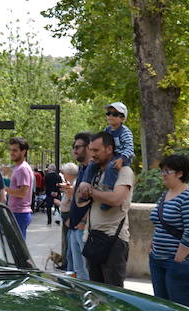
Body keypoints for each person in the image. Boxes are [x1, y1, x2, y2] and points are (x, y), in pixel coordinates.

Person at [148, 154, 189, 309]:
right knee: (163, 308)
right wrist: (153, 245)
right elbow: (160, 222)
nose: (163, 175)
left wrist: (178, 259)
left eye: (167, 171)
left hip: (182, 263)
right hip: (158, 259)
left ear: (180, 173)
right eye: (162, 171)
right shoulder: (165, 195)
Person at [79, 131, 134, 286]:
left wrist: (91, 191)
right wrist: (82, 191)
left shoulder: (124, 171)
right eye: (91, 150)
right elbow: (79, 201)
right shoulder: (94, 171)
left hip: (113, 241)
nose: (92, 154)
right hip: (92, 237)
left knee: (113, 297)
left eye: (96, 150)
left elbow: (116, 198)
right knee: (96, 294)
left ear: (109, 149)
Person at [57, 163, 85, 277]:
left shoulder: (74, 184)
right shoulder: (72, 184)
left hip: (73, 221)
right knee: (70, 252)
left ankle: (72, 274)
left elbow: (75, 201)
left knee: (74, 255)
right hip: (71, 220)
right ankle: (71, 273)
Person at [4, 136, 34, 238]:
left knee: (18, 249)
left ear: (23, 152)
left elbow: (22, 192)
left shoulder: (23, 169)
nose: (12, 153)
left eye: (15, 150)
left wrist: (5, 189)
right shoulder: (18, 168)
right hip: (17, 212)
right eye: (11, 150)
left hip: (20, 213)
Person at [104, 102, 134, 170]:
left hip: (122, 158)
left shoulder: (125, 132)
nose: (110, 116)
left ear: (122, 118)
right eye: (108, 113)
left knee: (111, 166)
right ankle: (85, 180)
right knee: (91, 164)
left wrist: (121, 159)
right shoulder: (106, 130)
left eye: (114, 114)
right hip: (111, 156)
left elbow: (129, 148)